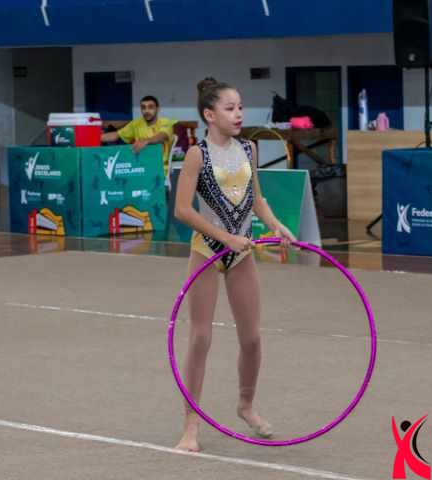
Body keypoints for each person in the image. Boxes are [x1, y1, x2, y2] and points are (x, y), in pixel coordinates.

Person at [173, 78, 296, 452]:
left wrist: (275, 224)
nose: (239, 114)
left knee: (253, 338)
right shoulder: (197, 155)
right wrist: (225, 238)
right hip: (207, 252)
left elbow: (256, 199)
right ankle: (191, 424)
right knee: (201, 338)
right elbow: (182, 210)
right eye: (230, 108)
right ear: (209, 115)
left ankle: (246, 405)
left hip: (242, 252)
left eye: (240, 107)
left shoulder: (248, 148)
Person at [101, 95, 176, 177]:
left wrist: (146, 141)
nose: (146, 111)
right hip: (138, 168)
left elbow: (162, 135)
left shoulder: (165, 122)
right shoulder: (136, 124)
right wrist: (94, 138)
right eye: (143, 107)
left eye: (150, 107)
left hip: (160, 169)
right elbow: (117, 135)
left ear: (157, 109)